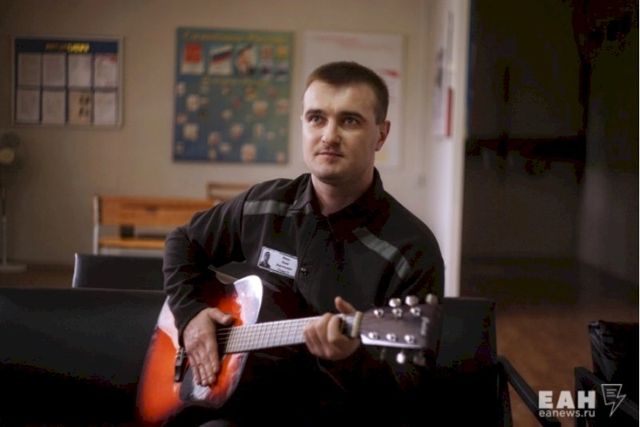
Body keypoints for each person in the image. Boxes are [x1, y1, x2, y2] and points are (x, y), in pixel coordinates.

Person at [163, 61, 444, 426]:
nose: (329, 135)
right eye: (316, 118)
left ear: (381, 134)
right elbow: (183, 240)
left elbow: (410, 395)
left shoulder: (412, 250)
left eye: (350, 120)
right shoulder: (264, 204)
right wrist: (190, 316)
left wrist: (349, 360)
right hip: (241, 405)